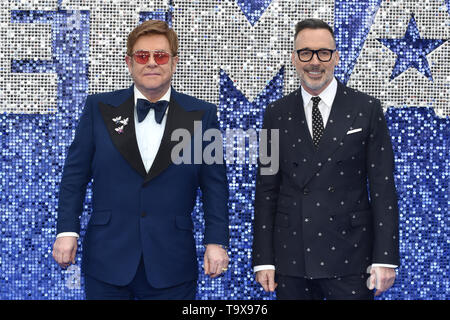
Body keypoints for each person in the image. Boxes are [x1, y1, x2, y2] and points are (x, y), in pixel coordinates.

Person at [52, 20, 229, 300]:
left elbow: (214, 187)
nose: (151, 63)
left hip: (172, 263)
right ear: (129, 62)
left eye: (160, 56)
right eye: (142, 56)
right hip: (107, 259)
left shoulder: (202, 115)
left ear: (174, 62)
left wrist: (216, 241)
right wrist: (66, 230)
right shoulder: (98, 109)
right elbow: (74, 177)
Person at [252, 18, 399, 300]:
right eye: (306, 53)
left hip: (351, 256)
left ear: (336, 57)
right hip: (291, 257)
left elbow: (383, 187)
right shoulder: (275, 113)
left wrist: (385, 258)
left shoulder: (366, 109)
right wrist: (263, 259)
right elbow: (266, 189)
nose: (314, 62)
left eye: (323, 53)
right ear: (294, 59)